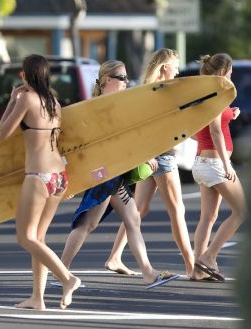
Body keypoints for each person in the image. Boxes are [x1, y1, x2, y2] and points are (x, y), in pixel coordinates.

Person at [59, 60, 177, 287]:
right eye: (122, 78)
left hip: (112, 173)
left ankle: (148, 272)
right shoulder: (102, 106)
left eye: (126, 77)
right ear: (107, 81)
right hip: (104, 174)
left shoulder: (111, 103)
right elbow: (110, 142)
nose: (126, 82)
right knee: (86, 225)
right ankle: (60, 272)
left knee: (129, 220)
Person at [0, 54, 81, 310]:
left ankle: (68, 279)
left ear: (26, 75)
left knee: (25, 237)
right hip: (59, 177)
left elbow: (3, 133)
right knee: (39, 238)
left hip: (39, 176)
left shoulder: (26, 98)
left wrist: (12, 101)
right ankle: (38, 298)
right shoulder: (53, 102)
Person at [106, 48, 195, 277]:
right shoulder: (162, 92)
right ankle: (192, 267)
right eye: (175, 67)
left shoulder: (147, 90)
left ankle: (115, 257)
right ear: (165, 68)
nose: (177, 72)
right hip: (163, 156)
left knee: (139, 209)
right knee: (177, 210)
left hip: (153, 155)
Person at [191, 53, 248, 281]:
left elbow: (201, 129)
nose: (232, 76)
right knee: (242, 211)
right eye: (231, 72)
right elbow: (214, 131)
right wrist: (227, 164)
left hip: (202, 162)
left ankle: (197, 270)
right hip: (214, 163)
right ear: (222, 72)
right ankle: (208, 257)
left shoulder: (204, 93)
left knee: (208, 217)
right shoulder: (215, 93)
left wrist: (229, 115)